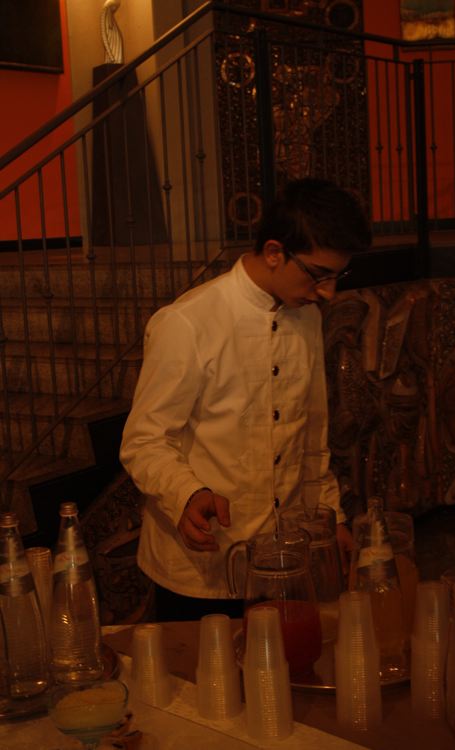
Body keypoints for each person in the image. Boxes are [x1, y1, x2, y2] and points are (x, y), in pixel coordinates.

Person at [120, 178, 372, 621]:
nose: (328, 292)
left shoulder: (308, 318)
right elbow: (144, 441)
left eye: (338, 276)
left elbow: (312, 435)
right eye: (318, 274)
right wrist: (186, 493)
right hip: (202, 568)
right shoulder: (187, 322)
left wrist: (331, 516)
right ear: (274, 252)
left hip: (285, 562)